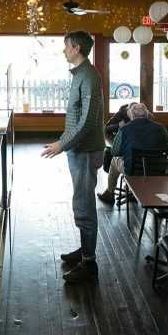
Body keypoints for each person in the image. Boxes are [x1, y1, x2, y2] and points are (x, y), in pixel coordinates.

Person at [40, 31, 105, 283]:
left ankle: (89, 263)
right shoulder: (81, 74)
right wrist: (63, 141)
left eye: (65, 46)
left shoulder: (88, 76)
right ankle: (84, 251)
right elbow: (78, 117)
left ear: (76, 48)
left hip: (86, 151)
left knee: (84, 206)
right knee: (81, 202)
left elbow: (88, 120)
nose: (63, 50)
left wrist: (62, 144)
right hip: (79, 149)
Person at [97, 103, 168, 204]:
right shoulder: (161, 128)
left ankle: (109, 192)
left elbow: (115, 152)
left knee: (115, 160)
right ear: (146, 114)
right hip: (158, 170)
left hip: (134, 170)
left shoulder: (124, 130)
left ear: (131, 115)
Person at [101, 102, 132, 172]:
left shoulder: (139, 116)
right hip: (121, 142)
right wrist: (118, 125)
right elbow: (106, 128)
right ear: (128, 111)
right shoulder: (120, 114)